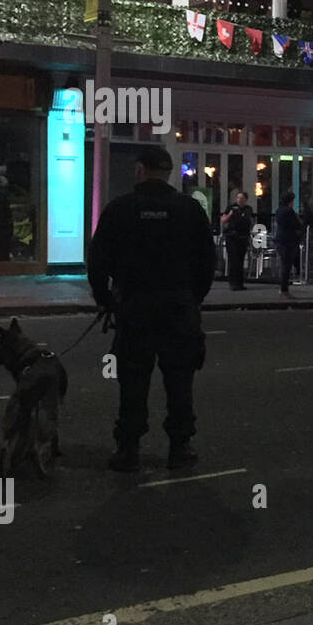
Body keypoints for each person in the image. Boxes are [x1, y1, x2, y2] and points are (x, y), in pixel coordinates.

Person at [88, 146, 214, 472]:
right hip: (178, 307)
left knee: (133, 381)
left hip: (136, 308)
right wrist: (191, 298)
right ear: (169, 172)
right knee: (180, 380)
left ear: (140, 169)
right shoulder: (189, 210)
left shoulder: (120, 209)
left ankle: (128, 448)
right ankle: (180, 445)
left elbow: (98, 261)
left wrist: (107, 300)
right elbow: (207, 263)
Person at [220, 190, 254, 290]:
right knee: (233, 260)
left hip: (243, 237)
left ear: (246, 200)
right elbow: (223, 220)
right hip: (232, 237)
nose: (240, 200)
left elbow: (250, 221)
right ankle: (232, 282)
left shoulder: (248, 209)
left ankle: (240, 282)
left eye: (242, 198)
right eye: (238, 198)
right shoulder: (231, 208)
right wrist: (230, 214)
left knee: (240, 260)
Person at [273, 190, 302, 297]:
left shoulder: (279, 210)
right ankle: (284, 289)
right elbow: (296, 224)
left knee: (285, 264)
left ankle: (283, 289)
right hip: (288, 240)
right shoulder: (289, 211)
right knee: (286, 266)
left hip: (281, 240)